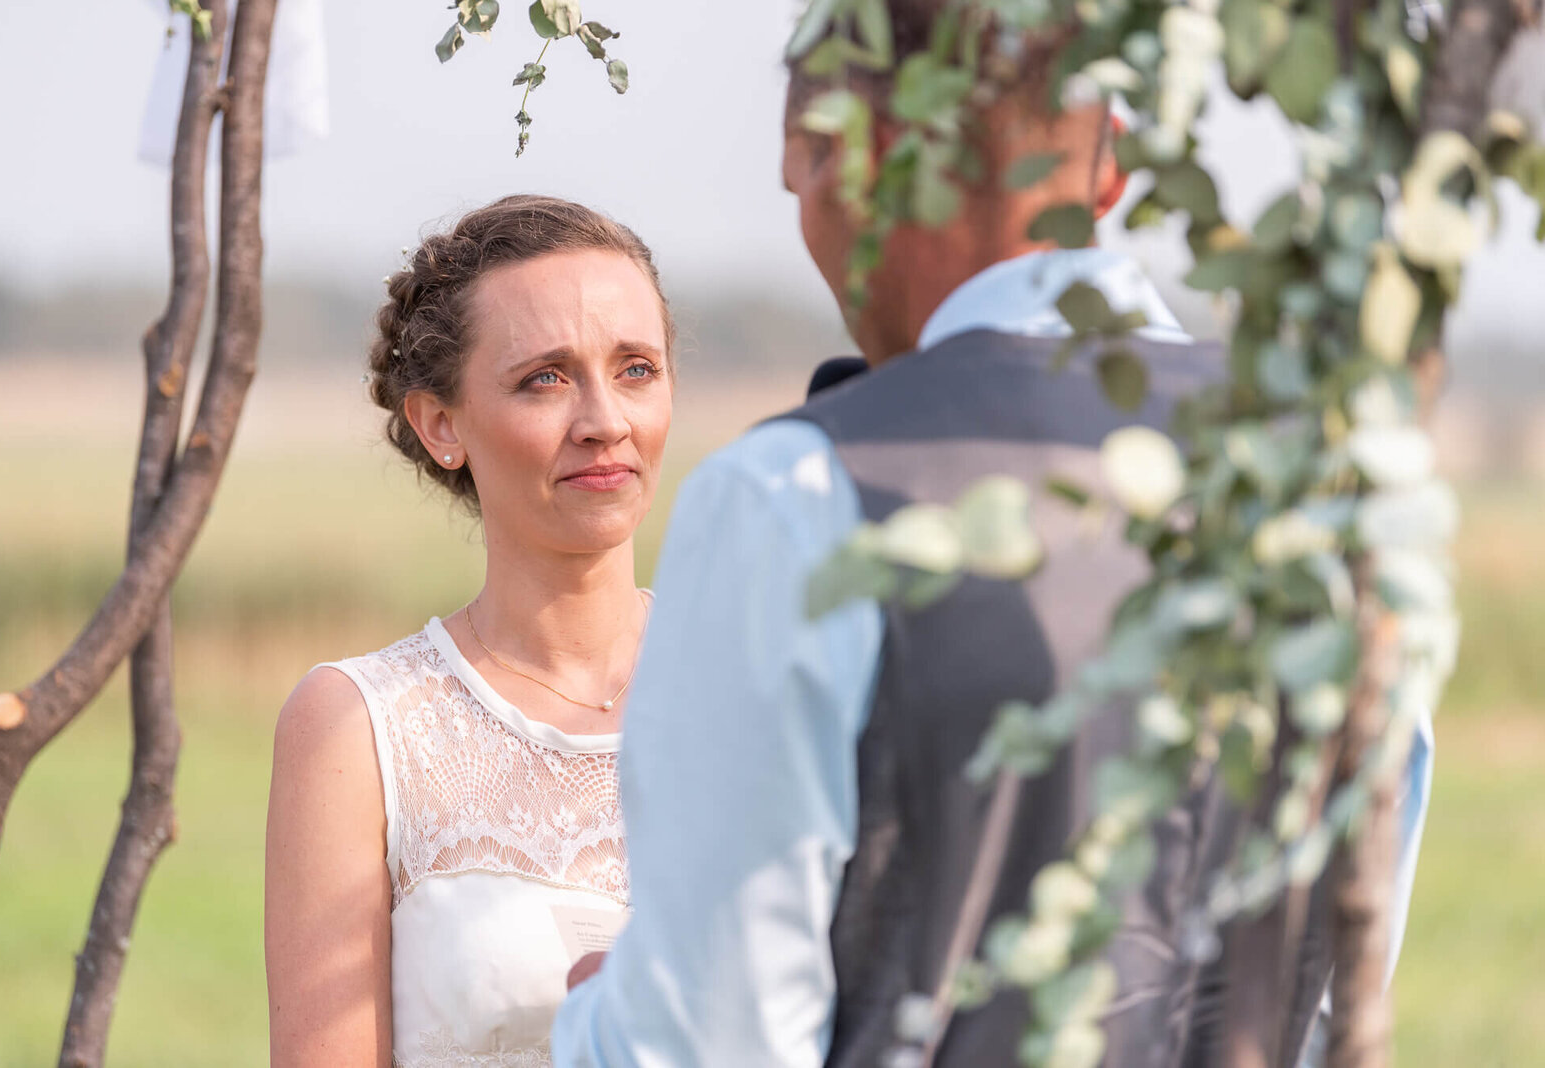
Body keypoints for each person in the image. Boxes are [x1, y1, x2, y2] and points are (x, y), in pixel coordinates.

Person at [551, 7, 1430, 1068]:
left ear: (857, 160)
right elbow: (1341, 971)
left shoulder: (794, 492)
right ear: (1108, 166)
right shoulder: (1335, 481)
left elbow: (708, 1048)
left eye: (800, 181)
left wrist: (599, 1015)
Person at [263, 195, 675, 1067]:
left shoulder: (767, 685)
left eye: (636, 368)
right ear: (441, 424)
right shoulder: (358, 728)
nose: (606, 420)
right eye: (546, 378)